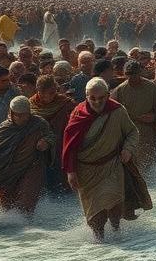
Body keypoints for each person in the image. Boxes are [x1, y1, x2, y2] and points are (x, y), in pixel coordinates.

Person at [62, 77, 150, 238]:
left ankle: (117, 234)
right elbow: (70, 146)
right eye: (92, 98)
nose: (97, 102)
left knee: (114, 202)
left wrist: (128, 149)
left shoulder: (117, 110)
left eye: (101, 98)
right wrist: (71, 171)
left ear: (108, 95)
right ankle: (99, 242)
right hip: (86, 170)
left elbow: (132, 132)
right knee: (95, 214)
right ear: (86, 96)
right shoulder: (78, 114)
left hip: (111, 165)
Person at [0, 95, 53, 214]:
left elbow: (51, 136)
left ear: (28, 112)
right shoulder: (6, 127)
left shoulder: (39, 123)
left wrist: (46, 142)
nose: (19, 117)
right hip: (9, 166)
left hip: (32, 165)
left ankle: (26, 223)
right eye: (16, 114)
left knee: (27, 198)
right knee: (5, 202)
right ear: (11, 112)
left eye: (22, 114)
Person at [113, 61, 156, 171]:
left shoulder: (151, 87)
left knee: (147, 163)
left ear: (140, 73)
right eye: (129, 75)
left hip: (146, 130)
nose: (132, 78)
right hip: (128, 131)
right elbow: (113, 112)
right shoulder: (120, 89)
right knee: (130, 162)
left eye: (134, 75)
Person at [30, 74, 76, 194]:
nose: (49, 96)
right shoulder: (30, 105)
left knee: (62, 177)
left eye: (52, 92)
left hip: (61, 145)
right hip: (37, 148)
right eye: (45, 93)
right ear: (38, 91)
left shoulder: (65, 103)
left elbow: (77, 123)